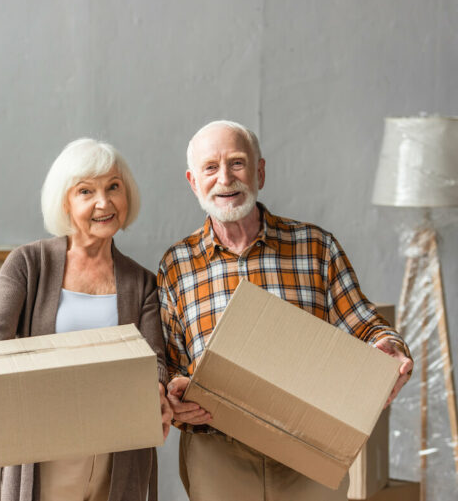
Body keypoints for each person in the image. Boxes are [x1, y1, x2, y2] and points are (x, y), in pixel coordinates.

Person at [158, 120, 414, 501]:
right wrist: (175, 397)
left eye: (238, 163)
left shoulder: (315, 246)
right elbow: (173, 363)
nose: (225, 178)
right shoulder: (177, 264)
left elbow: (364, 323)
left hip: (308, 450)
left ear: (260, 170)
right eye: (210, 168)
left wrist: (390, 349)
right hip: (218, 453)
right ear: (194, 181)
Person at [0, 138, 172, 501]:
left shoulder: (142, 283)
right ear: (65, 201)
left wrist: (159, 394)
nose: (103, 202)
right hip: (42, 451)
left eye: (113, 187)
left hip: (116, 454)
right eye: (85, 191)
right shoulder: (29, 264)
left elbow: (155, 360)